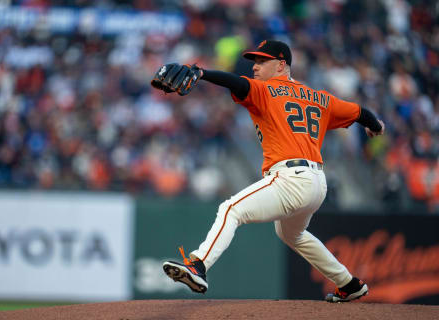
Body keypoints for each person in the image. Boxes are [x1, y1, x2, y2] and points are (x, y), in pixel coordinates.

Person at [153, 40, 385, 302]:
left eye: (262, 61)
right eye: (255, 61)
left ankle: (198, 265)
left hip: (290, 179)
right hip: (318, 183)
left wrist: (203, 73)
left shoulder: (267, 90)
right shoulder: (321, 98)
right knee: (291, 234)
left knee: (231, 209)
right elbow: (360, 112)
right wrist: (375, 126)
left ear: (281, 65)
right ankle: (349, 284)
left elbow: (236, 83)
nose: (255, 66)